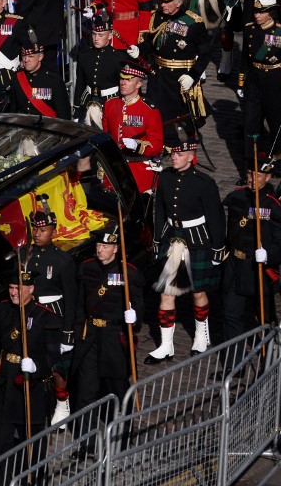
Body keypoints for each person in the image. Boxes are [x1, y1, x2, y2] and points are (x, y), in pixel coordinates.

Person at [148, 127, 226, 364]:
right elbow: (160, 210)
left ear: (191, 156)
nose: (174, 157)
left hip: (198, 240)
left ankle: (202, 335)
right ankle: (166, 345)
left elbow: (215, 216)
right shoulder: (166, 177)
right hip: (173, 238)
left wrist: (217, 247)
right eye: (173, 153)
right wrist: (157, 238)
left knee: (198, 292)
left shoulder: (204, 183)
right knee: (166, 294)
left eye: (179, 154)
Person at [0, 271, 58, 486]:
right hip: (6, 381)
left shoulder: (44, 316)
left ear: (31, 290)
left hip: (31, 384)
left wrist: (37, 366)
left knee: (34, 439)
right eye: (11, 287)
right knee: (3, 440)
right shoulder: (1, 311)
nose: (13, 293)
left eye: (18, 289)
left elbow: (53, 354)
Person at [71, 226, 144, 423]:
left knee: (118, 387)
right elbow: (79, 305)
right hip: (91, 336)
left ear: (115, 249)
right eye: (98, 245)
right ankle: (86, 441)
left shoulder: (128, 273)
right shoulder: (86, 268)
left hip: (114, 336)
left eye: (105, 246)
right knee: (85, 391)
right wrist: (78, 332)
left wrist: (133, 317)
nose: (100, 250)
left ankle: (123, 434)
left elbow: (138, 305)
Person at [220, 153, 281, 370]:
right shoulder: (236, 198)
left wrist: (269, 254)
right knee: (230, 316)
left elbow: (279, 241)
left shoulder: (273, 206)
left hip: (258, 270)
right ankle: (233, 365)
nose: (252, 178)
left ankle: (269, 359)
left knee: (264, 318)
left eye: (258, 174)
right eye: (249, 173)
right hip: (236, 266)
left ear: (268, 177)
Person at [23, 201, 77, 428]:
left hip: (53, 315)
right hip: (31, 312)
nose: (37, 234)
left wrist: (68, 333)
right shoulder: (26, 256)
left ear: (53, 231)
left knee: (56, 366)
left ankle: (62, 404)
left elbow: (71, 298)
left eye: (43, 230)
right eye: (35, 229)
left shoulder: (62, 260)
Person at [130, 0, 211, 128]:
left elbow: (205, 54)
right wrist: (139, 49)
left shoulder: (194, 23)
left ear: (179, 2)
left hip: (180, 77)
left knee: (182, 121)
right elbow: (152, 43)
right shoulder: (158, 17)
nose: (162, 5)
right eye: (161, 1)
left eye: (167, 1)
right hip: (159, 76)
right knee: (155, 116)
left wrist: (193, 75)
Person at [101, 60, 164, 195]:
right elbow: (105, 135)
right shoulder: (110, 104)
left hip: (139, 170)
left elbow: (157, 146)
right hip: (116, 169)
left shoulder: (149, 110)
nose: (123, 83)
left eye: (129, 80)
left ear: (139, 84)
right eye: (122, 79)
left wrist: (138, 145)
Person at [240, 0, 281, 170]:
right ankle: (251, 164)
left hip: (274, 80)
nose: (257, 15)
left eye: (261, 12)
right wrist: (241, 82)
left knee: (276, 123)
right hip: (254, 80)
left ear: (271, 13)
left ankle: (277, 162)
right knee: (251, 124)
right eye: (256, 11)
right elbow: (244, 58)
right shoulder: (249, 30)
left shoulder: (279, 32)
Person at [73, 10, 125, 127]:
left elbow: (122, 86)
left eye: (101, 35)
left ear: (110, 35)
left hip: (110, 101)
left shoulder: (118, 58)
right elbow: (80, 82)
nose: (96, 38)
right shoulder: (84, 55)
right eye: (94, 34)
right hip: (87, 100)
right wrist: (76, 108)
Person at [8, 33, 70, 119]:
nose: (26, 60)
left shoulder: (54, 81)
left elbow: (64, 115)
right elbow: (13, 111)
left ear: (40, 57)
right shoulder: (17, 78)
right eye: (24, 56)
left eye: (31, 56)